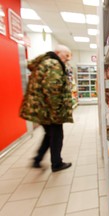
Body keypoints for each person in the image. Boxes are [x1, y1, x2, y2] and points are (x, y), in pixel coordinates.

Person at [20, 44, 73, 172]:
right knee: (56, 136)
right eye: (66, 55)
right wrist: (56, 111)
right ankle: (56, 163)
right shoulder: (54, 64)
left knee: (49, 134)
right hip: (48, 109)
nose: (67, 59)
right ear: (57, 52)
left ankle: (37, 159)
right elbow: (52, 89)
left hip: (41, 108)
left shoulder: (44, 62)